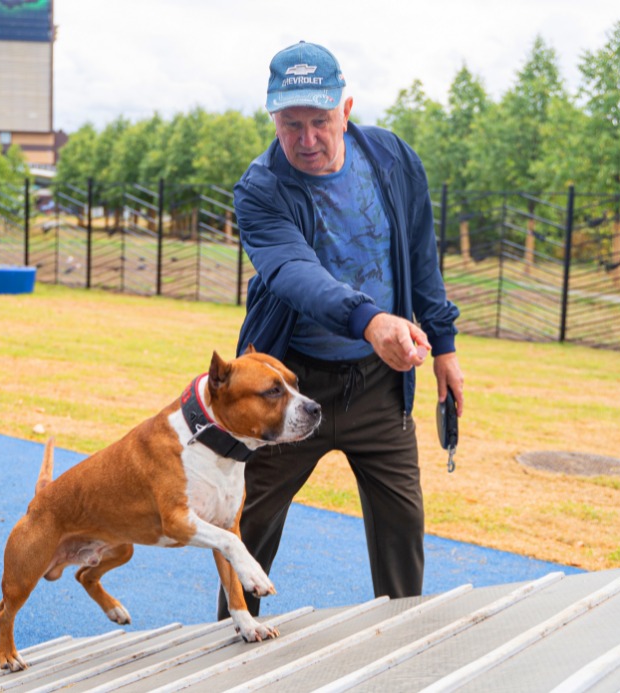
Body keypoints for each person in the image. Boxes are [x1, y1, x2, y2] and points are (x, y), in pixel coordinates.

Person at [219, 41, 465, 619]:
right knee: (251, 526)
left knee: (403, 525)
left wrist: (444, 345)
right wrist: (371, 320)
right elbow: (294, 272)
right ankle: (234, 637)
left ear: (346, 110)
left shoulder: (392, 159)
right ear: (273, 119)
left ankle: (403, 638)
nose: (307, 139)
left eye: (321, 121)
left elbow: (421, 255)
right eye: (292, 124)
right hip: (285, 387)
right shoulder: (260, 189)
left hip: (378, 384)